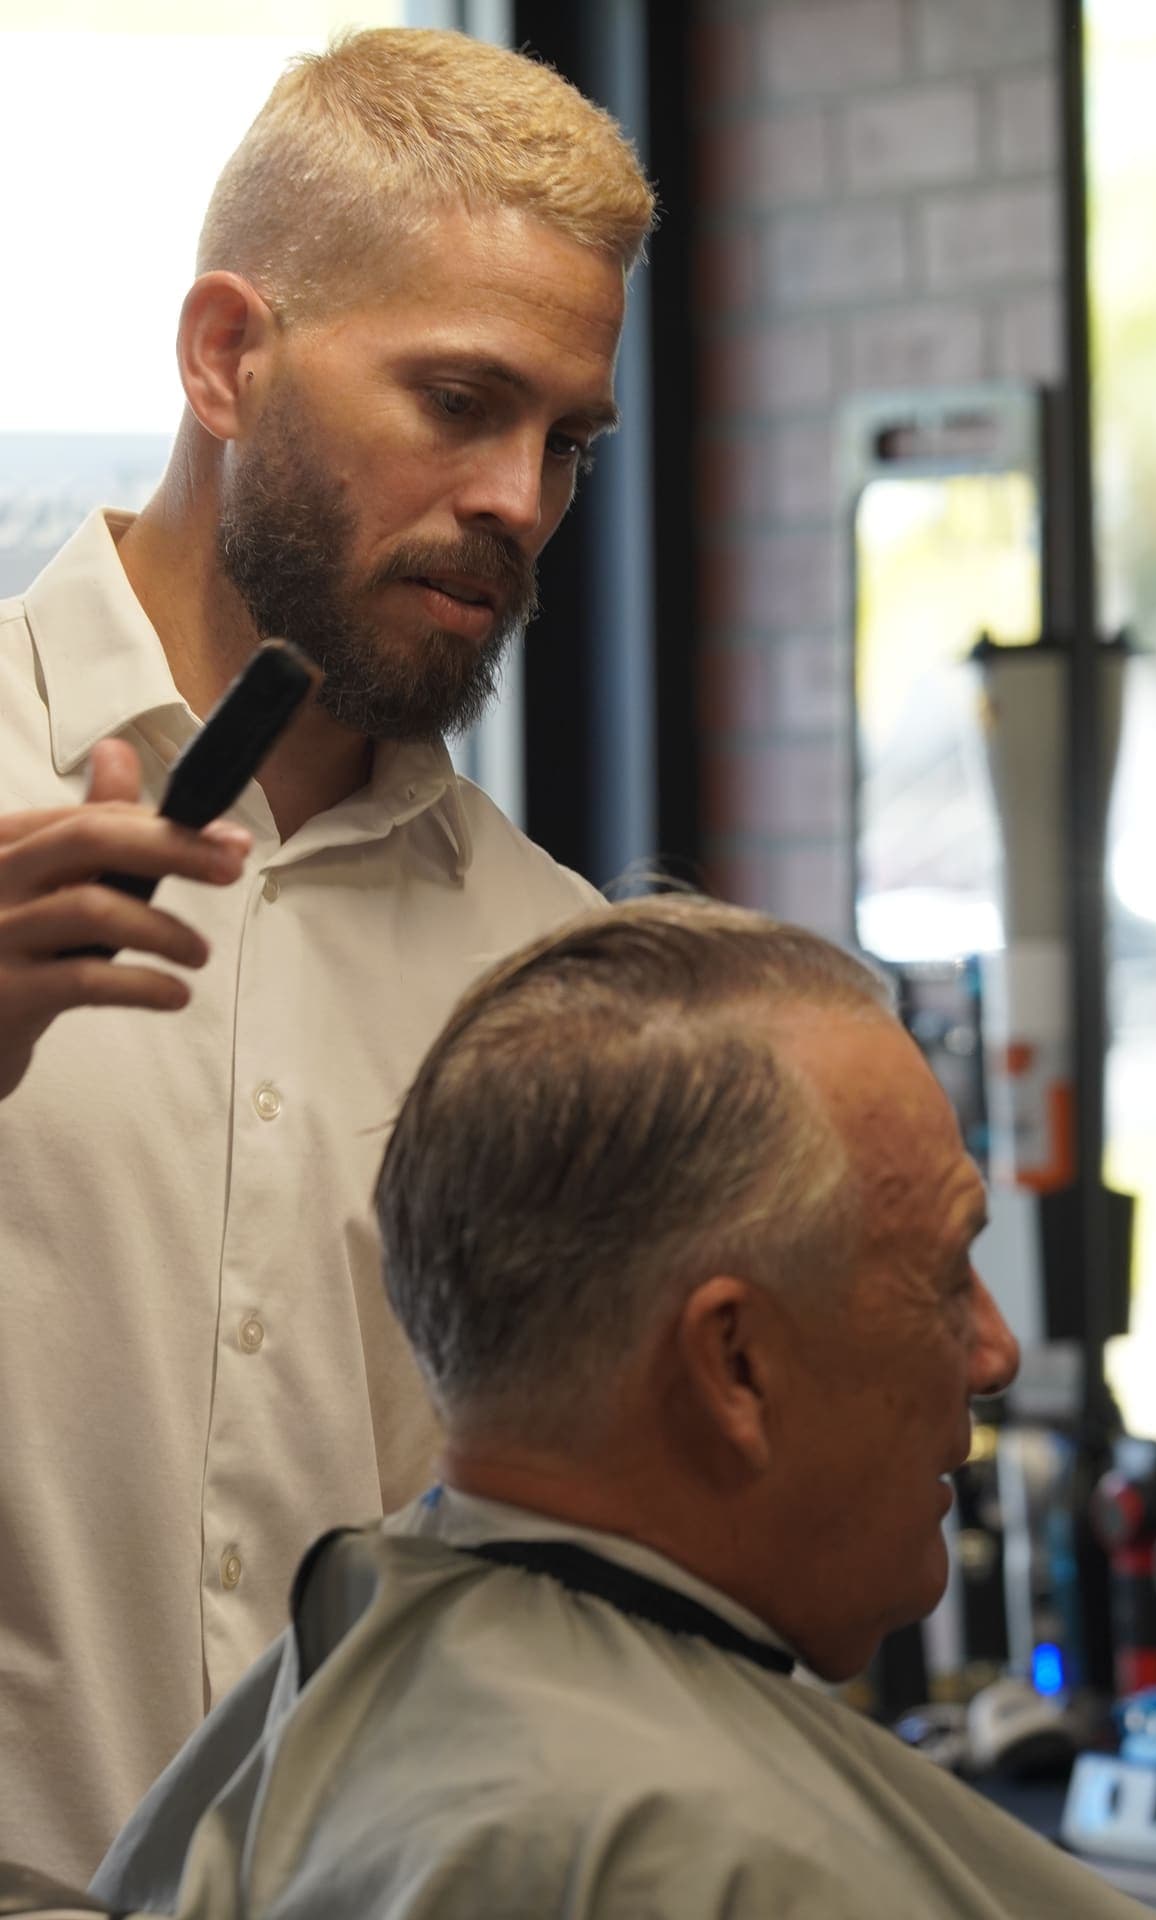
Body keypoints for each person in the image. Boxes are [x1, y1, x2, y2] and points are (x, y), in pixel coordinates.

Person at [0, 28, 654, 1883]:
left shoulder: (553, 979)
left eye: (566, 442)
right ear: (228, 357)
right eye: (460, 401)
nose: (520, 500)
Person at [92, 897, 1153, 1919]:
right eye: (943, 1273)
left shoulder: (352, 1662)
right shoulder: (698, 1855)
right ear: (733, 1364)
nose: (994, 1352)